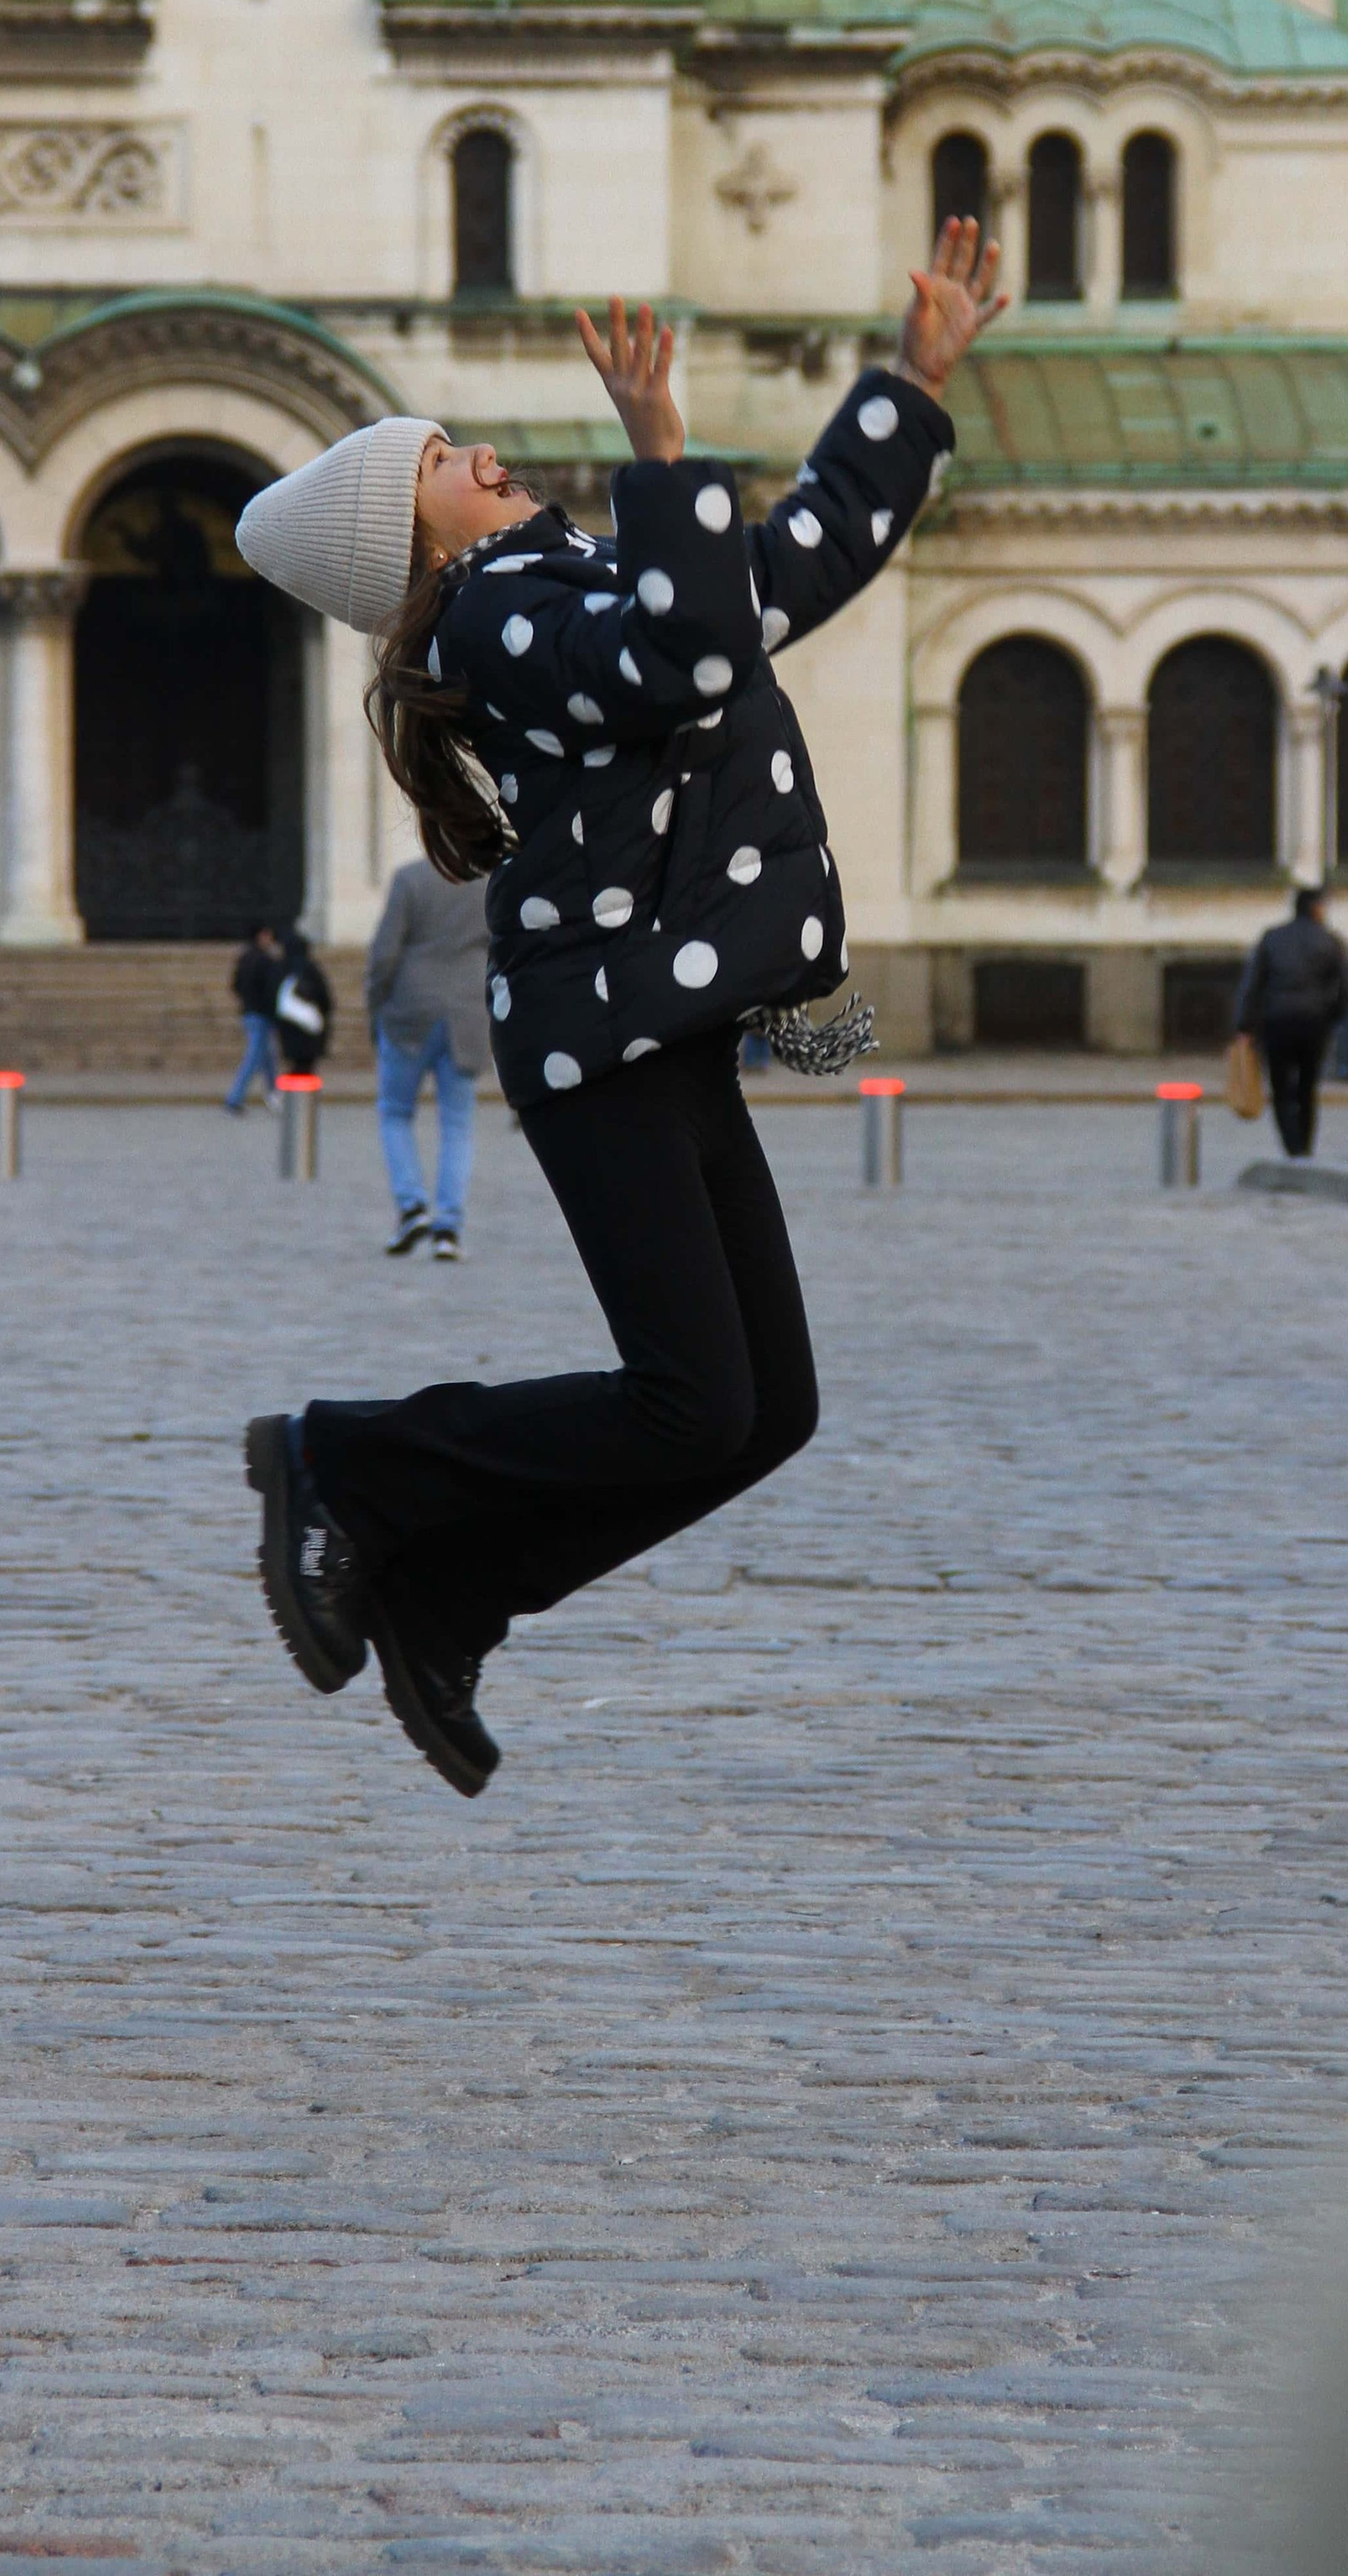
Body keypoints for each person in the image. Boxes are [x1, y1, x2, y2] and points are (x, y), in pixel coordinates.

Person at [231, 215, 1007, 1796]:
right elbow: (682, 659)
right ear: (416, 538)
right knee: (690, 1400)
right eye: (447, 455)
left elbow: (777, 581)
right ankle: (350, 1459)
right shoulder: (491, 614)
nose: (487, 452)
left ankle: (451, 1593)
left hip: (665, 1024)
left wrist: (909, 388)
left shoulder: (557, 579)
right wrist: (661, 451)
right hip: (604, 1039)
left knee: (763, 1408)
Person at [367, 855, 490, 1258]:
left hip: (410, 1009)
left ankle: (412, 1204)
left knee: (395, 1112)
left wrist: (376, 1004)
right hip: (467, 1011)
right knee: (457, 1124)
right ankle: (448, 1228)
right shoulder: (485, 883)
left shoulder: (410, 879)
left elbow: (385, 952)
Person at [1235, 885, 1348, 1160]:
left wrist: (1245, 1025)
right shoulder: (1329, 940)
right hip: (1314, 1023)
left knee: (1280, 1088)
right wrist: (1332, 1015)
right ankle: (1305, 1146)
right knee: (1307, 1087)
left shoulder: (1272, 938)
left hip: (1276, 1021)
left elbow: (1252, 984)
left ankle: (1291, 1145)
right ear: (1317, 908)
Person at [225, 924, 281, 1112]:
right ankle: (235, 1097)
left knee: (267, 1058)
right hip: (262, 1014)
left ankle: (274, 1094)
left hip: (249, 1012)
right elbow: (272, 989)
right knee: (255, 1057)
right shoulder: (265, 960)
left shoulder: (245, 959)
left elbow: (235, 985)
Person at [273, 927, 333, 1080]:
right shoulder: (311, 969)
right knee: (306, 1067)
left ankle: (295, 1099)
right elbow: (325, 999)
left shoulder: (280, 968)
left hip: (288, 1030)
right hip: (310, 1030)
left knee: (296, 1066)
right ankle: (300, 1100)